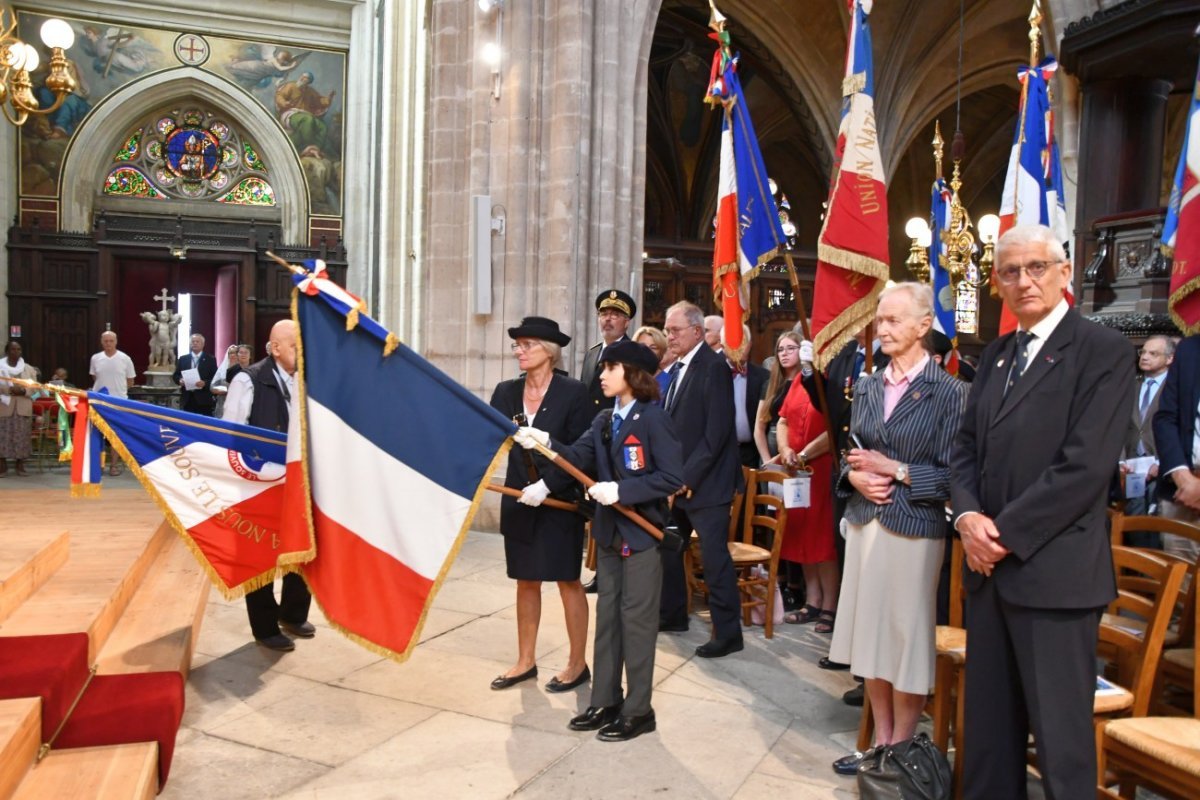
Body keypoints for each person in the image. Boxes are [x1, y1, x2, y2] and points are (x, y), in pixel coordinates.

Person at [950, 224, 1134, 799]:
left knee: (1061, 744)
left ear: (1064, 272)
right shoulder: (999, 353)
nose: (1023, 280)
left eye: (1036, 267)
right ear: (998, 283)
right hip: (988, 574)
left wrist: (997, 534)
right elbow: (963, 450)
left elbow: (1083, 469)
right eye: (1010, 271)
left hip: (1053, 577)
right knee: (986, 736)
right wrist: (966, 518)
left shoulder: (1104, 351)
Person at [829, 282, 968, 776]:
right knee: (869, 639)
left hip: (916, 527)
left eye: (892, 320)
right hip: (866, 524)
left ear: (922, 325)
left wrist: (897, 470)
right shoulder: (865, 385)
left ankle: (901, 749)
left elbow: (957, 475)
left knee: (904, 641)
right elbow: (848, 456)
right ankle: (879, 741)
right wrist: (856, 478)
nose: (882, 329)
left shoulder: (951, 392)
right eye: (880, 321)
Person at [514, 341, 684, 742]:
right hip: (609, 534)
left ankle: (639, 710)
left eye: (611, 368)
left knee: (637, 625)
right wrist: (545, 442)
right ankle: (606, 700)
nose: (602, 375)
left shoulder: (653, 419)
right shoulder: (605, 420)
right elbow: (577, 458)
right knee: (608, 623)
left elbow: (672, 477)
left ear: (634, 374)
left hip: (640, 536)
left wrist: (624, 492)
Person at [487, 316, 593, 692]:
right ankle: (525, 660)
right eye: (517, 345)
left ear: (548, 351)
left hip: (559, 500)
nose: (519, 350)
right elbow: (487, 440)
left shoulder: (574, 393)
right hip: (519, 497)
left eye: (526, 344)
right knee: (525, 580)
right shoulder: (505, 392)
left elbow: (583, 451)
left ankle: (577, 663)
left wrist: (549, 485)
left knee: (567, 580)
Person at [657, 301, 743, 657]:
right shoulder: (679, 368)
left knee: (713, 557)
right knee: (669, 546)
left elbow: (716, 434)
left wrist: (686, 477)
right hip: (679, 480)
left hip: (707, 483)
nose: (669, 337)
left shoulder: (713, 368)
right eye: (666, 330)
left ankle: (728, 633)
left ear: (696, 331)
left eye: (674, 330)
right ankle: (674, 614)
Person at [223, 320, 314, 653]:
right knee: (259, 555)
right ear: (276, 348)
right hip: (259, 484)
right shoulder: (248, 380)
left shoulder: (304, 380)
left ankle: (292, 614)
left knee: (302, 549)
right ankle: (264, 627)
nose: (301, 353)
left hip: (298, 483)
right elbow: (231, 435)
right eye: (295, 347)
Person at [775, 370, 837, 632]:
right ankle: (812, 600)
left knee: (822, 539)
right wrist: (785, 449)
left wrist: (804, 453)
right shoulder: (801, 379)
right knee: (801, 536)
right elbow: (782, 421)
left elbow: (835, 427)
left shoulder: (832, 379)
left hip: (820, 468)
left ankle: (830, 606)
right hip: (795, 470)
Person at [1119, 336, 1173, 532]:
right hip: (1132, 468)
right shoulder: (1131, 388)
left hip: (1162, 468)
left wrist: (1161, 462)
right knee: (1133, 523)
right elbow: (1120, 427)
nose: (1145, 357)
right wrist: (1121, 461)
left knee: (1158, 524)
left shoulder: (1175, 389)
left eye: (1153, 353)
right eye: (1143, 352)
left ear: (1169, 359)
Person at [1154, 333, 1200, 562]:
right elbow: (1165, 418)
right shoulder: (1189, 349)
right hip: (1182, 493)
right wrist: (1184, 479)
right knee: (1179, 589)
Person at [90, 331, 136, 476]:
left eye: (111, 341)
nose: (108, 344)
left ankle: (114, 465)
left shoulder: (125, 359)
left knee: (116, 436)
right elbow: (95, 377)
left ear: (116, 342)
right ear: (101, 342)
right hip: (99, 401)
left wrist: (118, 393)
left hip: (119, 402)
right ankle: (98, 464)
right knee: (97, 434)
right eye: (106, 341)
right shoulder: (96, 358)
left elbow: (130, 381)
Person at [580, 290, 635, 409]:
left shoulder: (632, 353)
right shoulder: (591, 353)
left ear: (626, 322)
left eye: (615, 314)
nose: (608, 319)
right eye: (603, 314)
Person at [724, 324, 769, 468]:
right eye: (732, 343)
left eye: (742, 342)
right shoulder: (711, 375)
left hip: (752, 453)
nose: (737, 348)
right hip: (721, 453)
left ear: (749, 345)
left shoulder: (764, 377)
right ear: (722, 346)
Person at [0, 340, 38, 477]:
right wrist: (9, 389)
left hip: (23, 406)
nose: (16, 352)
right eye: (13, 349)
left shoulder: (28, 368)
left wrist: (23, 391)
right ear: (7, 351)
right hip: (4, 406)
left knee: (21, 436)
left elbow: (35, 388)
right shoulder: (0, 367)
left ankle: (20, 465)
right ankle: (2, 465)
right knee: (3, 436)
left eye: (18, 349)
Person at [173, 333, 218, 416]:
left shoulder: (210, 359)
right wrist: (180, 380)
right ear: (190, 344)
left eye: (197, 341)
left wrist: (205, 383)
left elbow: (215, 378)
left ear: (203, 344)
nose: (195, 343)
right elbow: (176, 375)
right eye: (193, 342)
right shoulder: (183, 359)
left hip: (204, 399)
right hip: (187, 398)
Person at [632, 325, 671, 399]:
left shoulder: (669, 382)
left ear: (661, 352)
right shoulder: (627, 381)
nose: (647, 351)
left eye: (653, 347)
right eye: (642, 346)